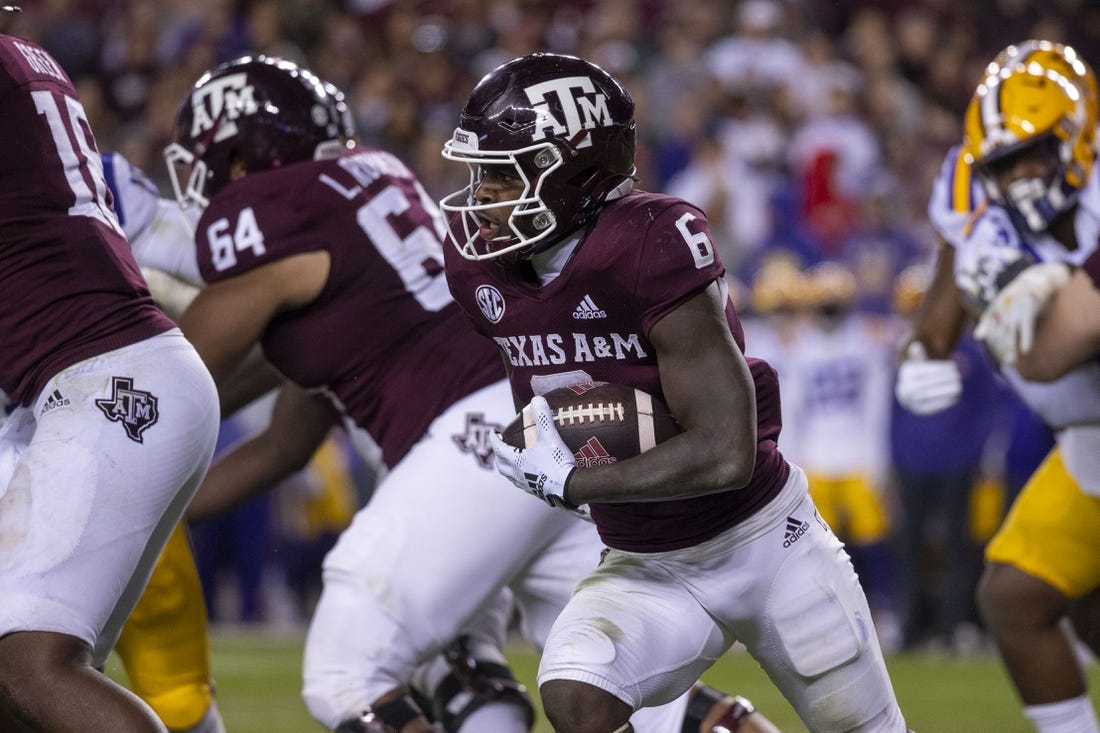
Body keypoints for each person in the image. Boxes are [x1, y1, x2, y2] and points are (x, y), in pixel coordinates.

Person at [163, 54, 775, 733]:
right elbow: (283, 442)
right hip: (537, 433)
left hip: (471, 442)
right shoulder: (360, 210)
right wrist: (156, 513)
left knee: (348, 671)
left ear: (244, 160)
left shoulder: (279, 213)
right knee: (614, 686)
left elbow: (180, 370)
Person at [440, 51, 907, 733]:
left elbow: (726, 450)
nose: (482, 197)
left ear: (573, 171)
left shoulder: (650, 242)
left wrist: (576, 484)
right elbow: (555, 390)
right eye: (479, 175)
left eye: (504, 175)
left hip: (762, 540)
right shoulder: (480, 267)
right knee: (577, 693)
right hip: (645, 559)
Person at [0, 27, 219, 733]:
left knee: (32, 665)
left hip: (106, 384)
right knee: (20, 688)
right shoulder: (27, 66)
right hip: (96, 385)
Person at [894, 39, 1100, 733]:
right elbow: (954, 269)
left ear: (1080, 138)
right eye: (1002, 164)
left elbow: (1056, 347)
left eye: (1034, 154)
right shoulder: (969, 190)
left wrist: (1070, 297)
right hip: (1086, 439)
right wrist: (924, 348)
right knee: (1019, 593)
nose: (1019, 178)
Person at [103, 150, 225, 733]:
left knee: (176, 691)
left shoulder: (94, 176)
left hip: (92, 438)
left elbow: (217, 259)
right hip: (92, 439)